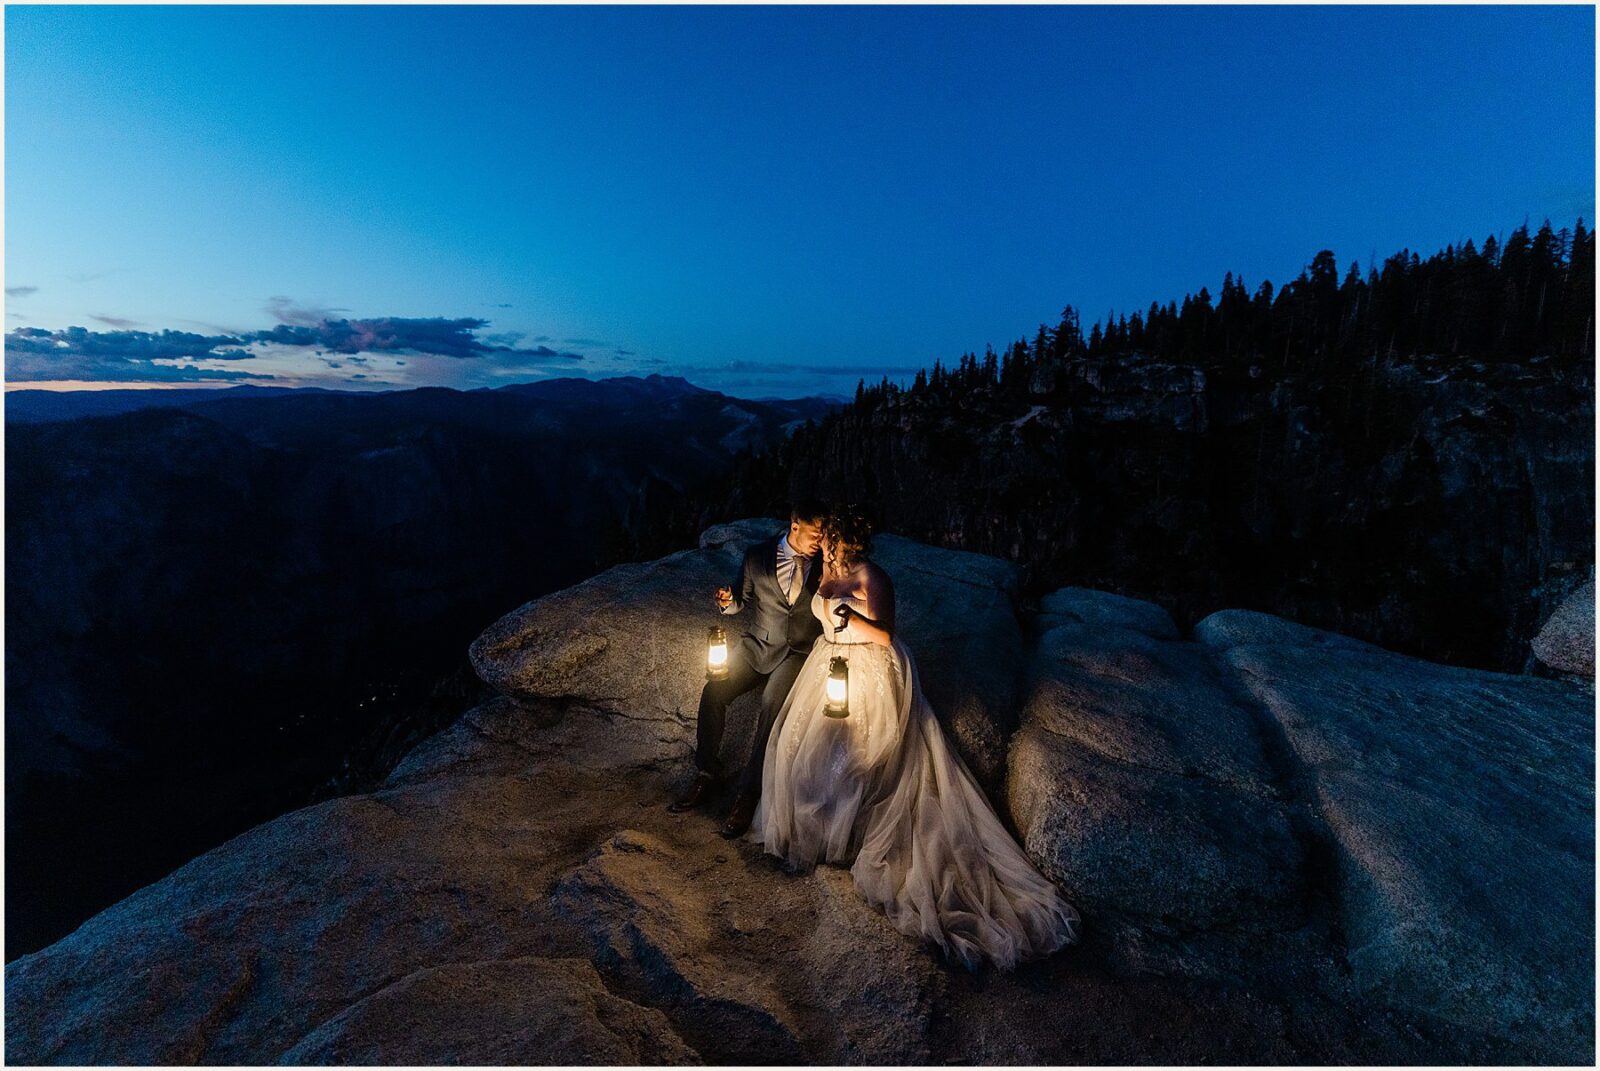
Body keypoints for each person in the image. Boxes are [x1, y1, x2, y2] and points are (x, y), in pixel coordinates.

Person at [750, 506, 1081, 970]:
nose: (824, 546)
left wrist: (850, 619)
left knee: (861, 756)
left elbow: (886, 635)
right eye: (824, 541)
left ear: (848, 542)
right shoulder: (824, 570)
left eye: (831, 540)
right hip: (828, 664)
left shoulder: (872, 576)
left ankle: (854, 836)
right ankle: (821, 833)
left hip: (868, 667)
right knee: (804, 749)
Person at [669, 500, 828, 838]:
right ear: (795, 525)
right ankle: (706, 773)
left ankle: (747, 794)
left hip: (797, 653)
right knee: (714, 689)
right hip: (758, 646)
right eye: (816, 534)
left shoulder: (825, 562)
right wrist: (727, 601)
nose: (820, 540)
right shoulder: (758, 556)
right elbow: (740, 599)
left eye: (824, 534)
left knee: (772, 704)